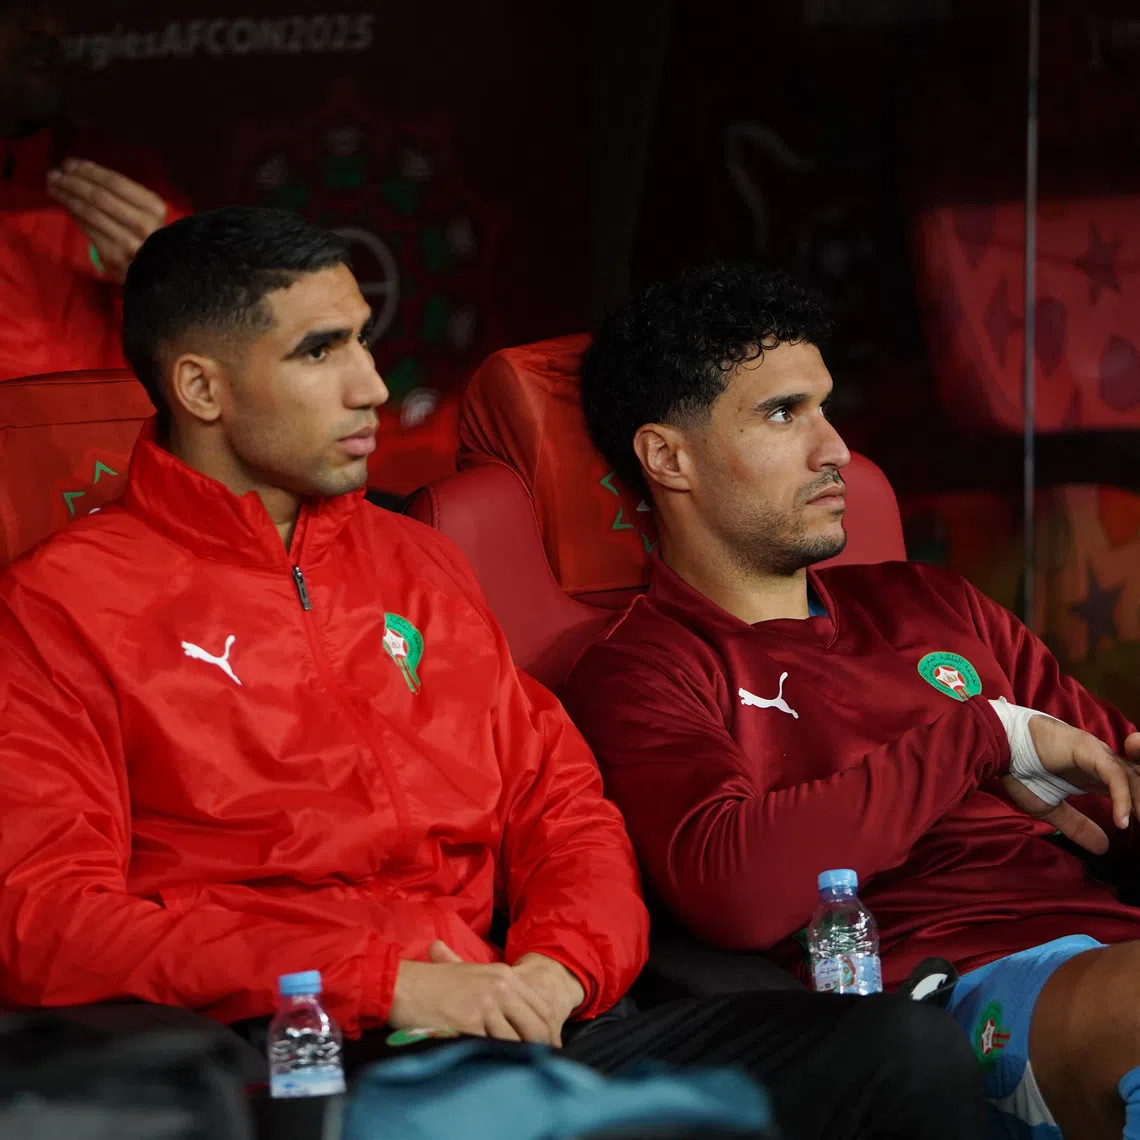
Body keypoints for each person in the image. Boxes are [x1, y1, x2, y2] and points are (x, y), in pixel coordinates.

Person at [0, 207, 986, 1140]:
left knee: (903, 1052)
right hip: (297, 1048)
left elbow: (562, 807)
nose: (372, 387)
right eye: (319, 352)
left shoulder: (415, 562)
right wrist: (378, 981)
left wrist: (563, 966)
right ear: (202, 390)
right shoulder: (66, 607)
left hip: (517, 1011)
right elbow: (47, 919)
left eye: (361, 341)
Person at [562, 260, 1140, 1140]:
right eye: (784, 413)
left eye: (825, 407)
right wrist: (979, 736)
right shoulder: (645, 669)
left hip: (1109, 949)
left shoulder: (932, 602)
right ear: (667, 457)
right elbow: (735, 889)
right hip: (948, 1000)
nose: (835, 449)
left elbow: (1112, 782)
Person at [0, 0, 189, 381]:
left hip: (105, 438)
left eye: (52, 6)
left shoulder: (130, 181)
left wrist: (160, 285)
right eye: (12, 5)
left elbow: (209, 356)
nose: (44, 25)